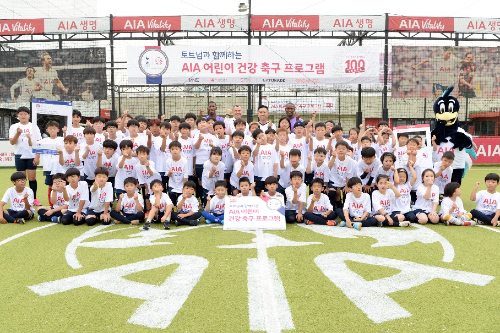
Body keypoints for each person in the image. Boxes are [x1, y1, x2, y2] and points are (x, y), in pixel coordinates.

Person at [36, 120, 64, 205]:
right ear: (47, 130)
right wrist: (37, 157)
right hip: (48, 167)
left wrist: (65, 133)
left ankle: (62, 204)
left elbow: (68, 143)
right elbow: (36, 147)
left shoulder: (61, 139)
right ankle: (51, 204)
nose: (52, 130)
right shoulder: (43, 141)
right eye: (50, 129)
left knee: (62, 185)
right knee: (51, 186)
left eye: (54, 128)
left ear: (58, 130)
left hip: (60, 167)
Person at [165, 141, 189, 205]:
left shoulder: (184, 161)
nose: (174, 151)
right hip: (172, 185)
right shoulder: (168, 161)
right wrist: (170, 173)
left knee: (180, 201)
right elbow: (168, 175)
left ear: (180, 150)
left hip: (181, 185)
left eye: (176, 149)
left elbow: (185, 176)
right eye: (172, 149)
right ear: (170, 151)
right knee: (171, 202)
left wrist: (184, 188)